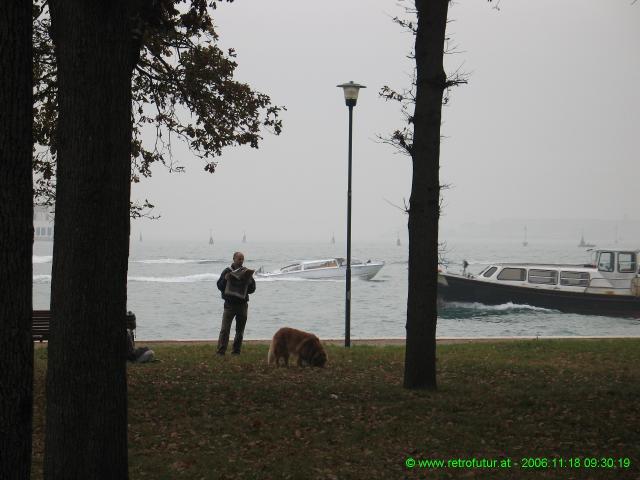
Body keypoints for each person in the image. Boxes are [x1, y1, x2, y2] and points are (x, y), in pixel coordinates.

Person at [216, 251, 256, 355]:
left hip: (242, 305)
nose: (241, 261)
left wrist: (249, 282)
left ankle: (236, 351)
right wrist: (225, 280)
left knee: (240, 331)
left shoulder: (246, 272)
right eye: (239, 259)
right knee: (225, 329)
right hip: (229, 305)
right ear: (233, 259)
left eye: (242, 259)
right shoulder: (227, 271)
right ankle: (221, 351)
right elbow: (219, 286)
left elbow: (252, 290)